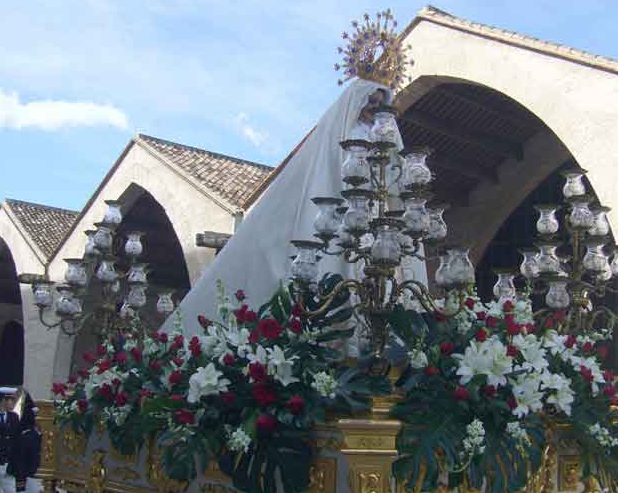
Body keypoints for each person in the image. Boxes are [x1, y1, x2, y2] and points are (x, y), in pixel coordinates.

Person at [167, 79, 427, 350]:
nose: (373, 109)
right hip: (345, 218)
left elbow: (396, 180)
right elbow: (330, 175)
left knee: (380, 285)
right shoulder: (342, 132)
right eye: (369, 102)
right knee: (341, 278)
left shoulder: (384, 136)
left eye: (379, 104)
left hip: (376, 227)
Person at [11, 393, 62, 493]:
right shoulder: (28, 436)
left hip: (52, 480)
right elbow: (21, 461)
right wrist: (21, 484)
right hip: (33, 480)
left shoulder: (56, 436)